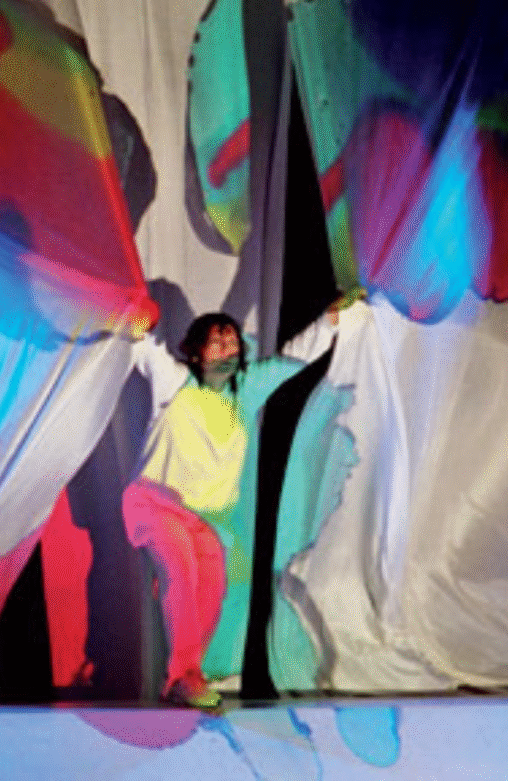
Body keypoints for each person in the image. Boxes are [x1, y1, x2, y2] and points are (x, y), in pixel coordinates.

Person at [122, 292, 364, 708]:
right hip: (156, 504)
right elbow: (143, 349)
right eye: (216, 343)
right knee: (179, 569)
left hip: (207, 520)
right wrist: (129, 319)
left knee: (211, 591)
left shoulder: (246, 391)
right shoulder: (173, 382)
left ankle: (183, 677)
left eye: (232, 342)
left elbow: (295, 357)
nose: (227, 349)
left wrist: (328, 320)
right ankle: (184, 676)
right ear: (195, 353)